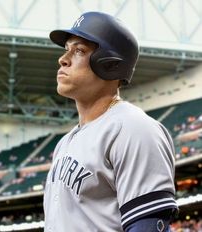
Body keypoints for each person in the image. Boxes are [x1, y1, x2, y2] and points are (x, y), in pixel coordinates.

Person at [44, 11, 178, 232]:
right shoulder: (64, 143)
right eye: (66, 49)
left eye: (79, 50)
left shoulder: (134, 128)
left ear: (109, 63)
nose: (63, 59)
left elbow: (147, 225)